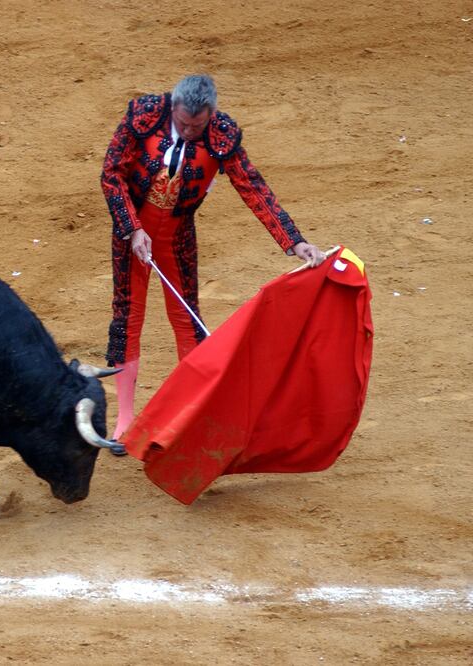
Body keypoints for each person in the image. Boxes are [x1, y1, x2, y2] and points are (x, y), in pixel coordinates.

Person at [100, 74, 324, 453]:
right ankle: (124, 421)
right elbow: (111, 175)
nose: (189, 132)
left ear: (211, 114)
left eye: (197, 125)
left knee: (188, 321)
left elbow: (252, 186)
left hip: (177, 237)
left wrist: (294, 241)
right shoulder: (143, 115)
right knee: (127, 317)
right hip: (132, 236)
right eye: (184, 124)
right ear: (173, 107)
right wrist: (132, 228)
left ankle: (192, 413)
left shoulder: (221, 134)